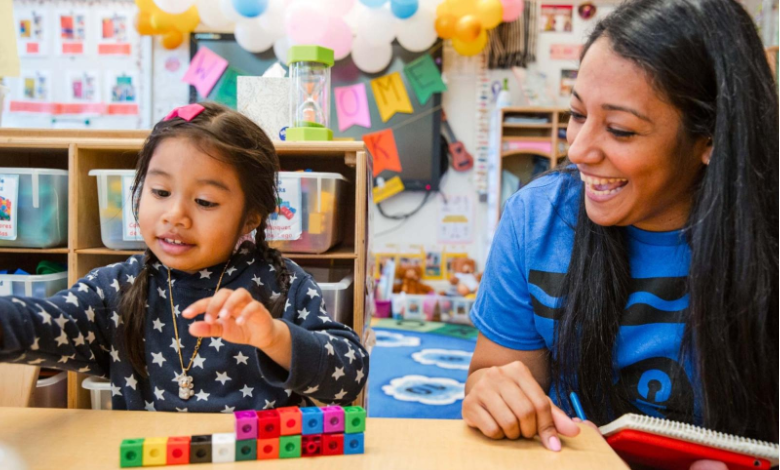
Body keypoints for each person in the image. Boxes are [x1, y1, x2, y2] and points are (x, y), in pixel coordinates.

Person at [464, 0, 778, 463]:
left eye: (620, 130)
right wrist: (492, 392)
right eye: (576, 113)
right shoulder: (537, 220)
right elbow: (494, 374)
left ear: (709, 138)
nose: (579, 150)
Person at [0, 102, 368, 411]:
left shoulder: (282, 284)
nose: (175, 214)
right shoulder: (113, 287)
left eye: (205, 201)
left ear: (251, 217)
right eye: (160, 191)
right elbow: (40, 324)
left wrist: (274, 337)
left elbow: (349, 376)